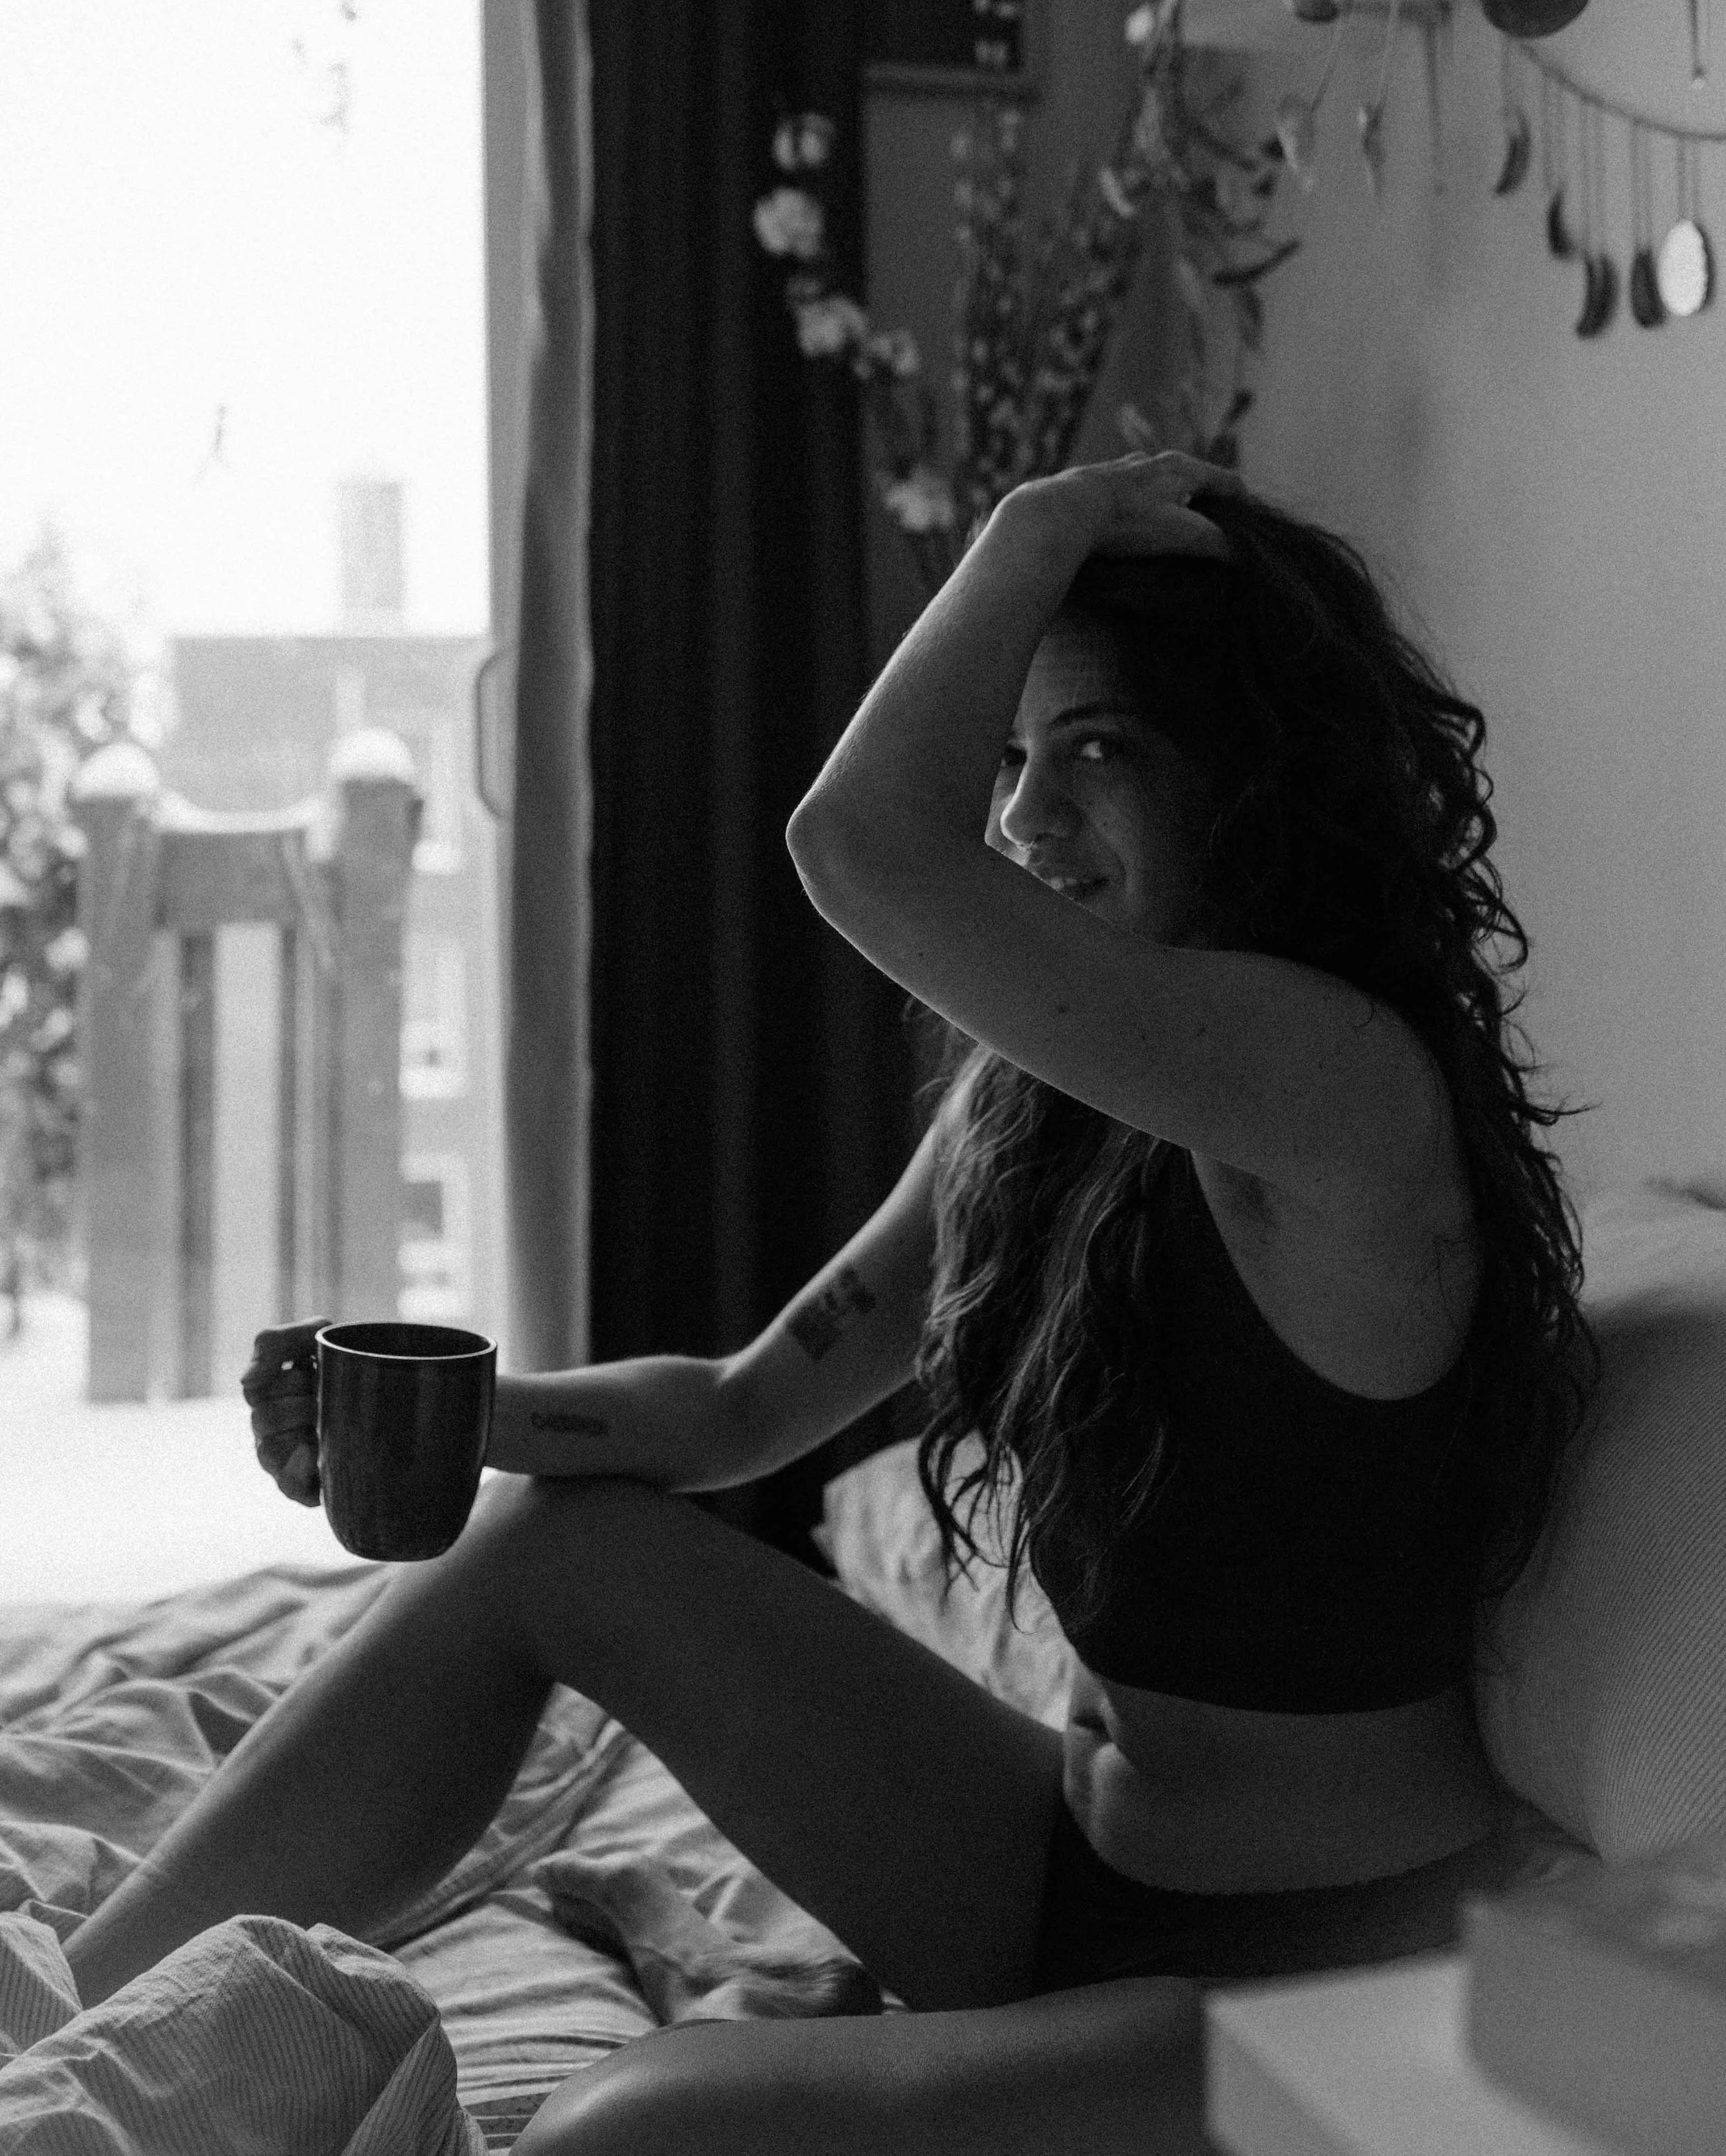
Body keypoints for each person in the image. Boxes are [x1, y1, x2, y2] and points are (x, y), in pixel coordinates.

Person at [58, 450, 1596, 2155]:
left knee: (621, 2134)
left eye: (1095, 753)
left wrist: (1033, 529)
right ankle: (61, 2029)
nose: (1020, 819)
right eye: (1007, 761)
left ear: (1251, 775)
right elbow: (737, 1410)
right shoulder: (1046, 1101)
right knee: (550, 1547)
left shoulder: (1341, 1088)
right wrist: (447, 1414)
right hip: (1063, 1865)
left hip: (1316, 1979)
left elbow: (854, 844)